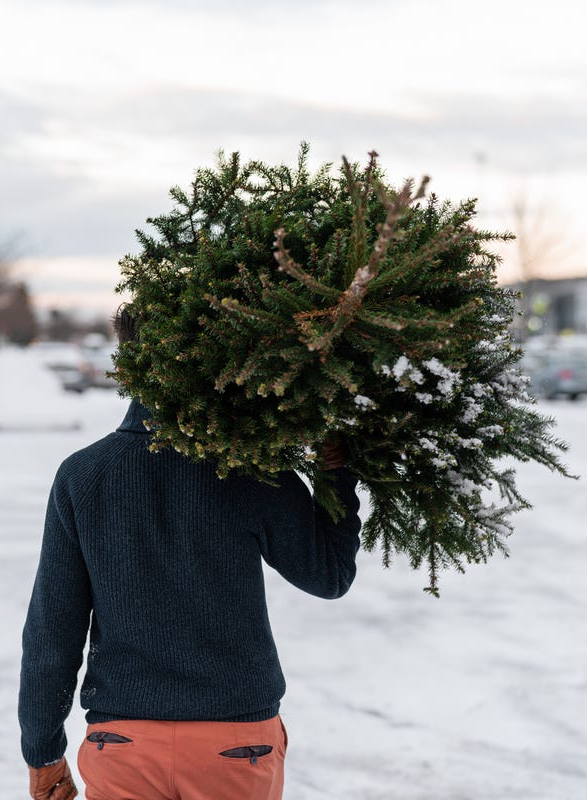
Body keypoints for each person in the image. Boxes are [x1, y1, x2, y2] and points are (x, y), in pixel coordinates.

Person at [19, 307, 362, 800]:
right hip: (236, 746)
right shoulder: (248, 469)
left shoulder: (83, 476)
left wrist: (43, 753)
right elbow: (328, 576)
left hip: (123, 744)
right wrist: (335, 472)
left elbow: (53, 630)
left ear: (129, 364)